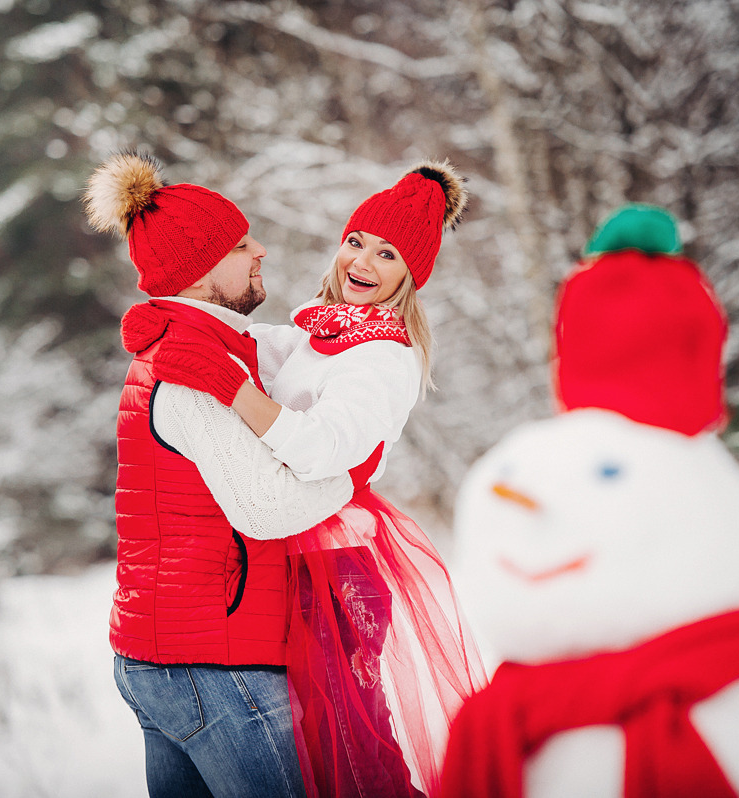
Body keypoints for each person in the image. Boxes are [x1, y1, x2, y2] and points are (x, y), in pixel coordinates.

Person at [155, 161, 489, 797]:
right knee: (311, 743)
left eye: (388, 254)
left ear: (410, 276)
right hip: (295, 552)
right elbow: (243, 342)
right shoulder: (320, 330)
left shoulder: (384, 356)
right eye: (356, 241)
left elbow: (318, 448)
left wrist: (233, 391)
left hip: (338, 572)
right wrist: (168, 323)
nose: (362, 262)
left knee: (350, 749)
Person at [84, 151, 363, 798]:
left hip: (167, 654)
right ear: (199, 269)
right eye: (241, 245)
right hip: (215, 662)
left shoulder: (192, 349)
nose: (260, 249)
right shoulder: (190, 369)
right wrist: (355, 470)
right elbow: (264, 508)